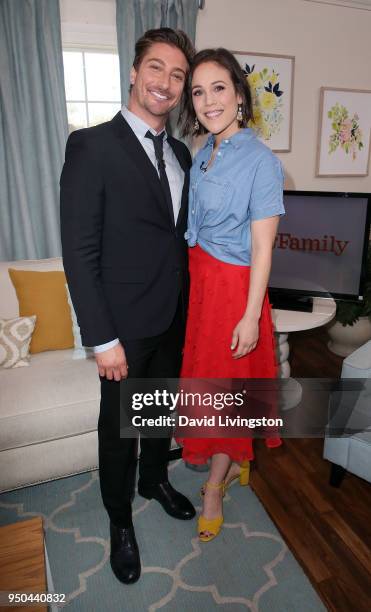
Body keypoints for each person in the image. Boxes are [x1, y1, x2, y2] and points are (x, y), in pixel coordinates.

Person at [60, 28, 196, 585]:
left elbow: (176, 237)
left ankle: (155, 480)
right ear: (135, 73)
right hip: (122, 328)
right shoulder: (91, 145)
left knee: (160, 411)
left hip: (171, 317)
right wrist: (102, 338)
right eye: (156, 69)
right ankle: (120, 519)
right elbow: (79, 252)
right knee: (118, 431)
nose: (166, 82)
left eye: (178, 75)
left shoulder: (183, 152)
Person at [178, 48, 285, 542]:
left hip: (233, 292)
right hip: (202, 286)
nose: (207, 100)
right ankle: (236, 463)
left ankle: (215, 488)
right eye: (198, 91)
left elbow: (263, 249)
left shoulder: (261, 161)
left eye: (218, 88)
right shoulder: (203, 154)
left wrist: (248, 317)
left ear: (239, 95)